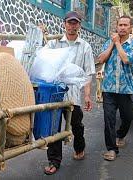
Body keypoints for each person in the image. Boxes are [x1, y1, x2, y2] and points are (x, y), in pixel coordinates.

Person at [43, 11, 95, 175]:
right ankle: (54, 161)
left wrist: (87, 95)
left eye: (76, 23)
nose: (72, 26)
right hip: (55, 93)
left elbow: (88, 73)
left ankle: (79, 147)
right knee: (54, 128)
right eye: (70, 23)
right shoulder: (54, 43)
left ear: (79, 25)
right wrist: (41, 34)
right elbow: (42, 56)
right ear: (64, 24)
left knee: (76, 125)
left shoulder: (85, 46)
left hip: (73, 96)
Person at [98, 15, 133, 161]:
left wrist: (117, 44)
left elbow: (127, 59)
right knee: (109, 119)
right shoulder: (109, 42)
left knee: (127, 117)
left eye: (125, 25)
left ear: (130, 28)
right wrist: (112, 44)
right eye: (120, 25)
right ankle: (111, 149)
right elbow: (101, 59)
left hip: (126, 89)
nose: (122, 27)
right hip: (108, 88)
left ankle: (120, 135)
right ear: (116, 27)